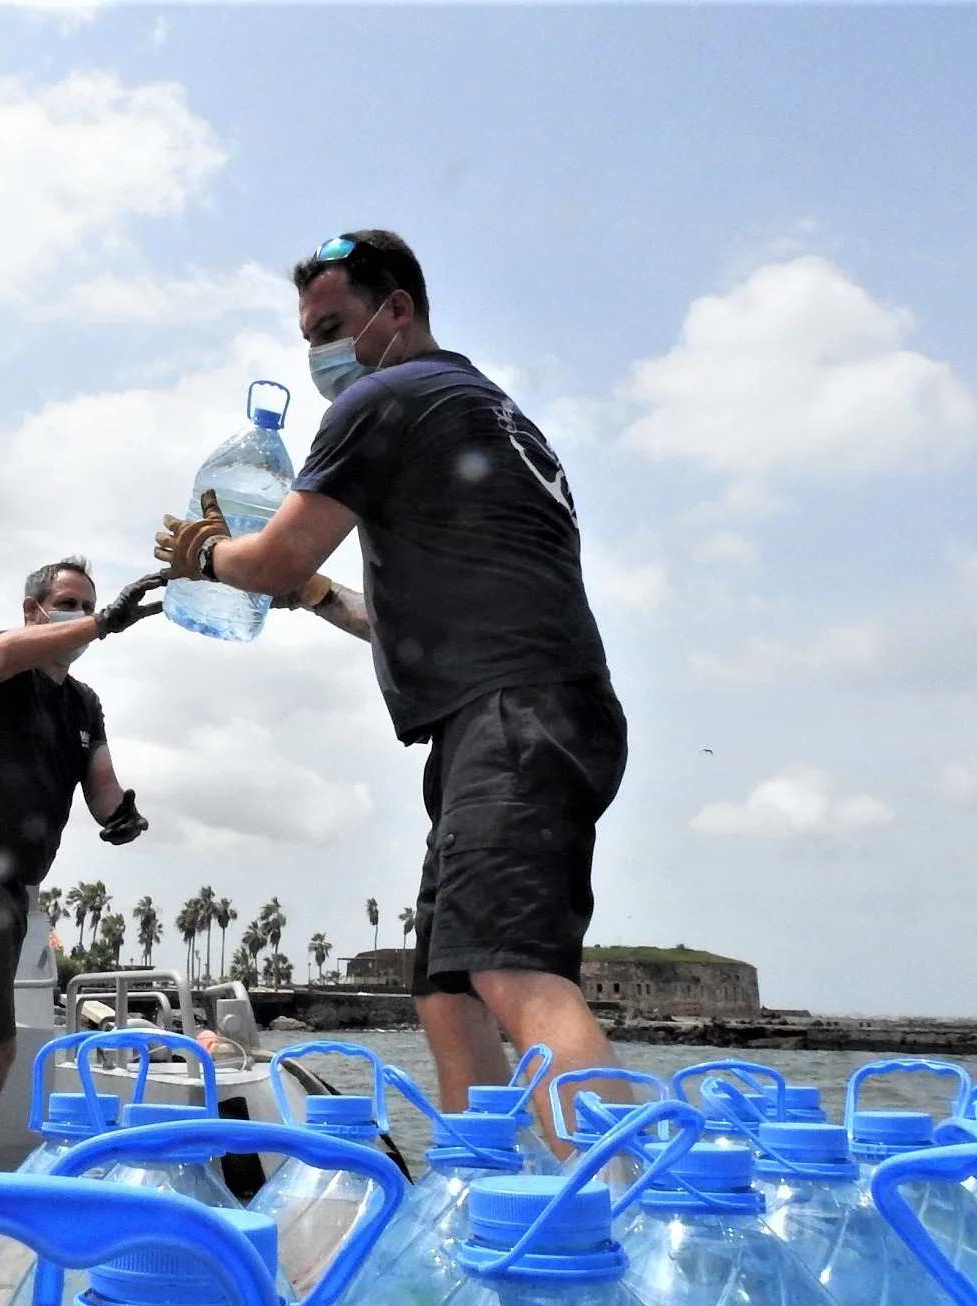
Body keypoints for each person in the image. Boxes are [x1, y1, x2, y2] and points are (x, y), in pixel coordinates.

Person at [155, 230, 626, 1145]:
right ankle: (478, 1196)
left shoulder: (385, 396)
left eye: (332, 325)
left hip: (517, 716)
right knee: (448, 993)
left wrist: (207, 552)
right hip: (516, 712)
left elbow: (273, 552)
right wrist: (322, 596)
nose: (321, 353)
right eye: (308, 336)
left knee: (513, 972)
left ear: (397, 310)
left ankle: (649, 1217)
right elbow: (424, 605)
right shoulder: (491, 413)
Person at [0, 559, 162, 1187]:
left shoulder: (83, 705)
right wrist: (102, 623)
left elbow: (102, 788)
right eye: (68, 603)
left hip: (8, 889)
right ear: (33, 611)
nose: (80, 614)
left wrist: (122, 815)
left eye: (88, 604)